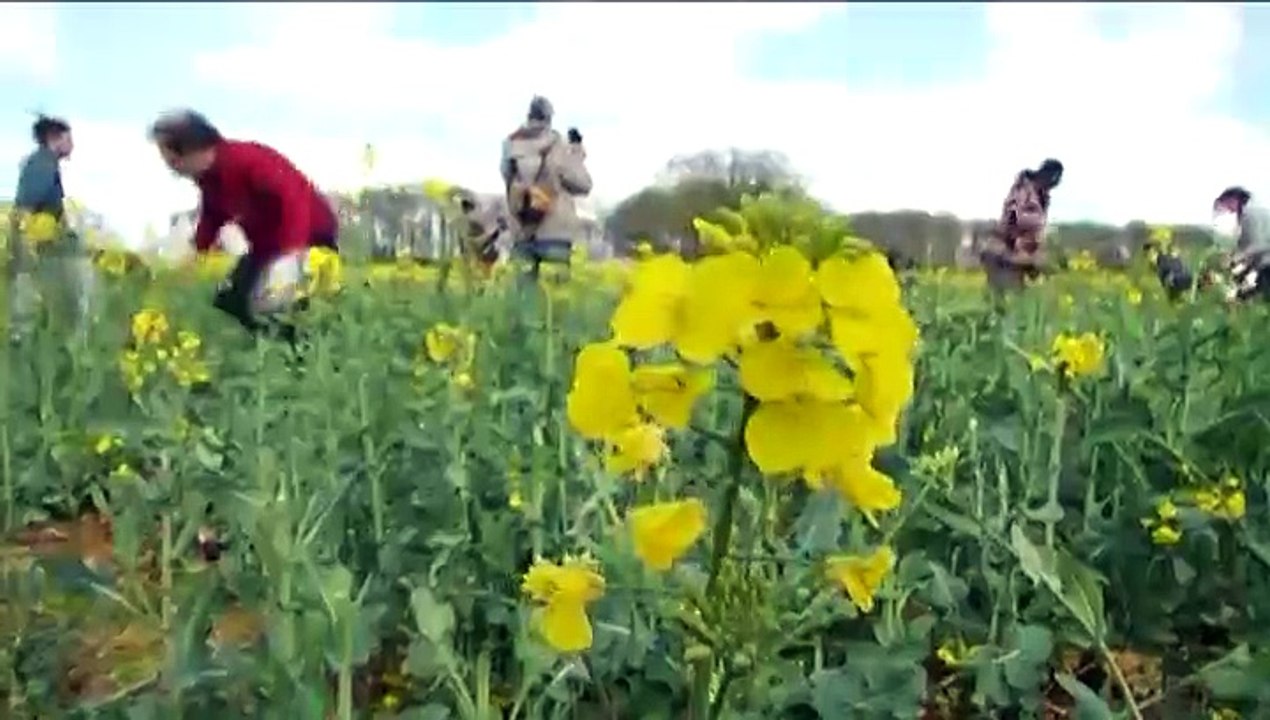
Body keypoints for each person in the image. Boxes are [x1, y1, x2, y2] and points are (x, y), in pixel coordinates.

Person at [148, 110, 339, 345]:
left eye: (172, 161)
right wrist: (195, 253)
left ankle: (303, 352)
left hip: (309, 236)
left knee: (282, 302)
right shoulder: (209, 179)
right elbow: (212, 215)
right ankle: (276, 350)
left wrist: (292, 255)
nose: (173, 169)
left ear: (191, 150)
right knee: (230, 300)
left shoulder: (248, 160)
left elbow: (293, 201)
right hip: (268, 247)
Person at [7, 114, 91, 339]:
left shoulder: (45, 163)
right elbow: (25, 208)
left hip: (47, 249)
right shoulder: (42, 163)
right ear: (54, 138)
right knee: (35, 311)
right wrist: (26, 252)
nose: (72, 144)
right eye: (68, 138)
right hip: (40, 252)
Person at [500, 96, 593, 280]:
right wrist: (576, 153)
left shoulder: (510, 146)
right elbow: (583, 184)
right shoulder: (558, 145)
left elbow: (507, 177)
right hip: (554, 232)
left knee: (523, 302)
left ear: (529, 116)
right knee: (557, 299)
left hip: (522, 232)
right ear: (549, 118)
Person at [980, 158, 1064, 293]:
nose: (1055, 183)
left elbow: (1035, 231)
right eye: (1055, 179)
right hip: (1003, 253)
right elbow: (1018, 223)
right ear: (1046, 175)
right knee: (1004, 298)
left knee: (1016, 300)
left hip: (1015, 256)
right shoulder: (1023, 191)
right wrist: (1030, 257)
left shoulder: (1041, 196)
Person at [451, 186, 508, 273]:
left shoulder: (483, 211)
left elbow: (501, 227)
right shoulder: (464, 218)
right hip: (479, 243)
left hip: (490, 241)